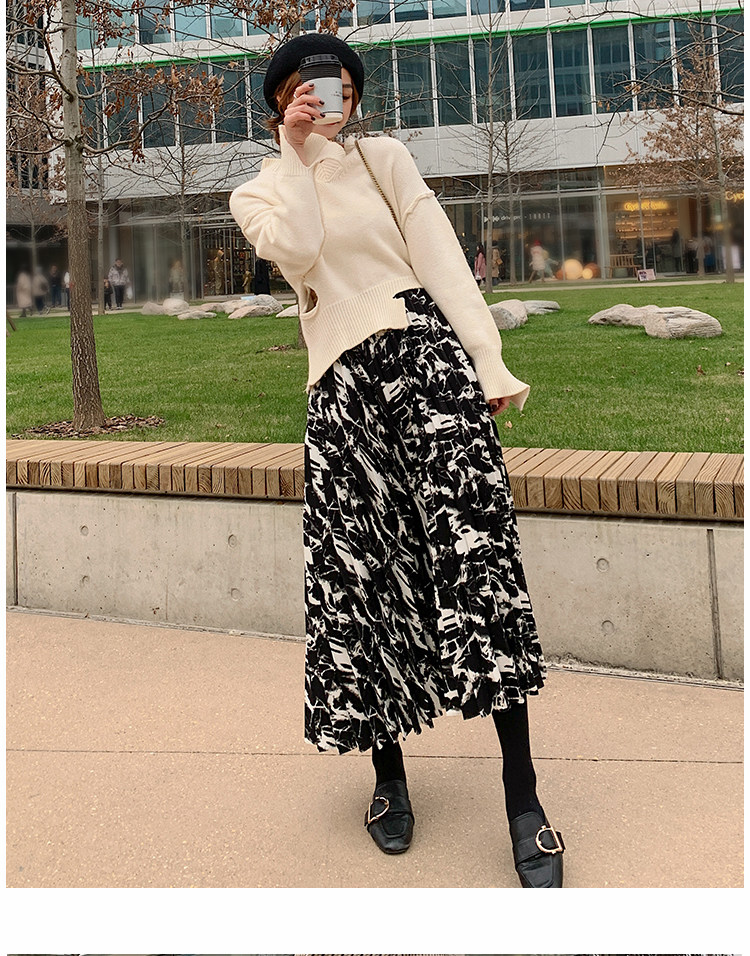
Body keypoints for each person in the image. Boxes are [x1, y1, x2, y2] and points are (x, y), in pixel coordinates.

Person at [229, 32, 564, 889]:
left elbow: (440, 256)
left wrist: (487, 359)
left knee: (477, 563)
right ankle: (388, 777)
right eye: (310, 87)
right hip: (343, 388)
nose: (328, 98)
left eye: (341, 87)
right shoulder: (259, 191)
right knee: (362, 575)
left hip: (427, 363)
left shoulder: (385, 160)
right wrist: (297, 152)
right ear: (281, 99)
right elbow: (301, 252)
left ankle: (523, 798)